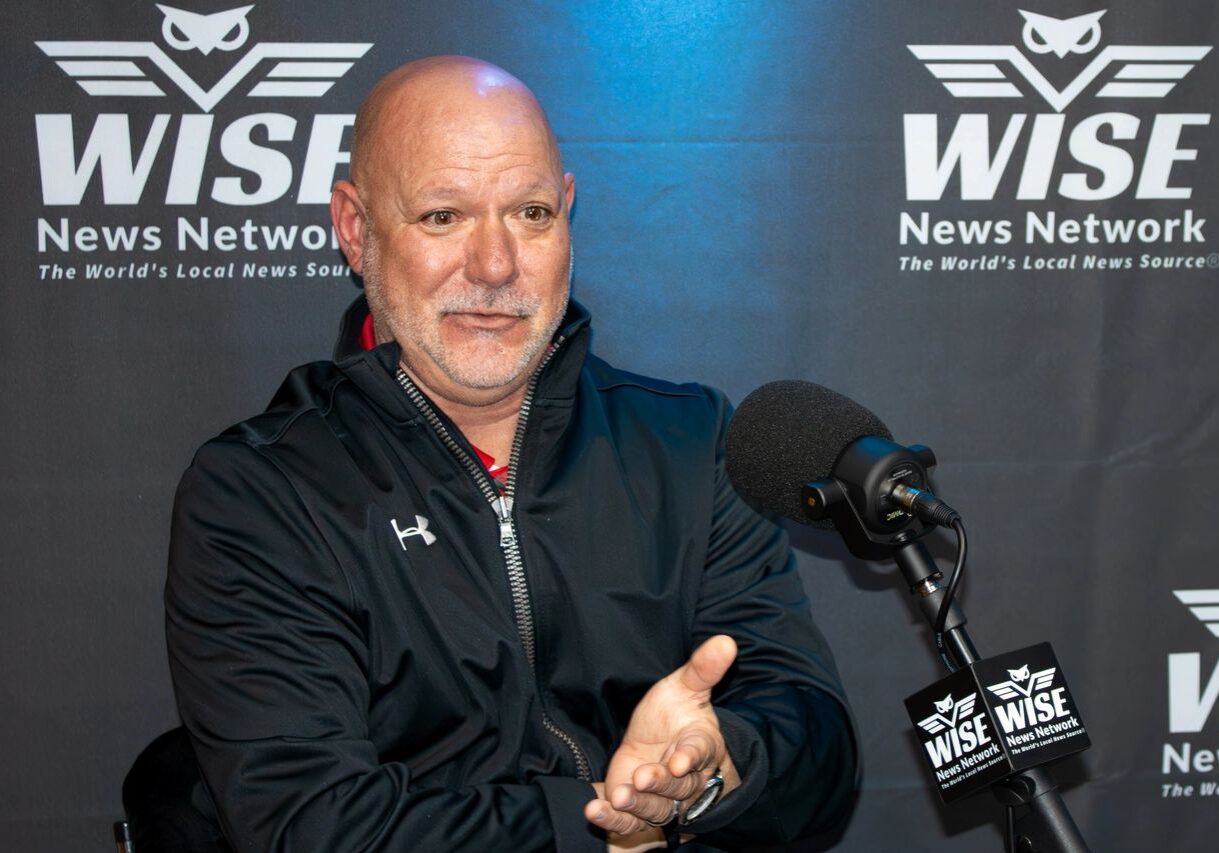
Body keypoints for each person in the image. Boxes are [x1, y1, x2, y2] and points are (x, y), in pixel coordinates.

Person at [165, 56, 857, 852]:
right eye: (442, 217)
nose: (495, 265)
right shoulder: (259, 494)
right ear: (355, 230)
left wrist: (713, 766)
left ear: (568, 212)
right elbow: (315, 826)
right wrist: (606, 825)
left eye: (529, 213)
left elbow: (818, 747)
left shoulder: (691, 441)